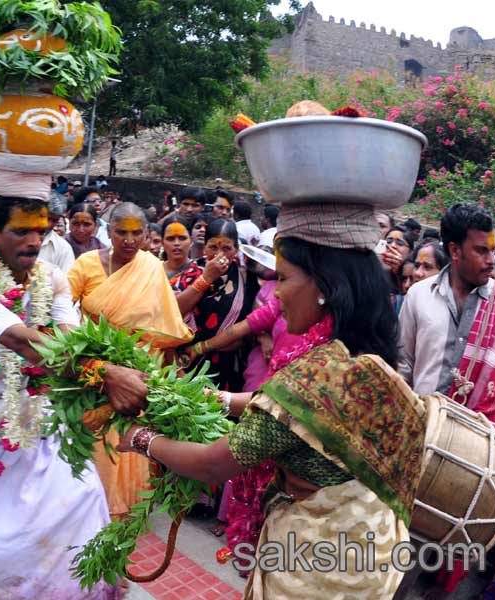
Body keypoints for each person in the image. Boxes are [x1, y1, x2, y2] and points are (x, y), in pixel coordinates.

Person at [118, 203, 423, 598]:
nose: (276, 292)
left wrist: (139, 438)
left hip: (313, 569)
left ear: (325, 287)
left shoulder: (312, 375)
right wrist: (218, 398)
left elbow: (213, 464)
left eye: (284, 278)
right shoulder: (363, 358)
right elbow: (283, 407)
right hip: (369, 560)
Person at [0, 186, 147, 599]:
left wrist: (107, 371)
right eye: (21, 231)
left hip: (41, 417)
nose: (34, 242)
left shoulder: (53, 279)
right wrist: (106, 374)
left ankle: (76, 583)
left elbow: (67, 339)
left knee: (81, 504)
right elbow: (25, 343)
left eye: (40, 231)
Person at [67, 203, 192, 517]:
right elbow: (58, 311)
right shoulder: (85, 264)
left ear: (148, 234)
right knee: (95, 445)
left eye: (137, 233)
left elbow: (166, 323)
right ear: (108, 232)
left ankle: (120, 514)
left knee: (127, 442)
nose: (129, 239)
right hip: (96, 371)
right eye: (121, 232)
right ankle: (86, 511)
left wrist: (166, 372)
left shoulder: (151, 267)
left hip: (138, 372)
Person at [399, 202, 495, 428]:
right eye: (481, 250)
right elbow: (403, 367)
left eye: (492, 251)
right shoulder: (418, 295)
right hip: (422, 432)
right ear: (455, 251)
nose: (491, 260)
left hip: (483, 443)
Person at [174, 219, 247, 390]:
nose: (219, 255)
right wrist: (206, 278)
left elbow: (250, 325)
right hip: (185, 361)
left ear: (236, 250)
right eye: (213, 247)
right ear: (204, 247)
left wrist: (204, 347)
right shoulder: (192, 272)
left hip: (224, 363)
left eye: (226, 249)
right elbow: (174, 311)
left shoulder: (244, 279)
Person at [39, 192, 75, 274]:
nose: (48, 225)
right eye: (46, 218)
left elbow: (65, 284)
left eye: (54, 220)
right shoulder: (18, 237)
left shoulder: (63, 248)